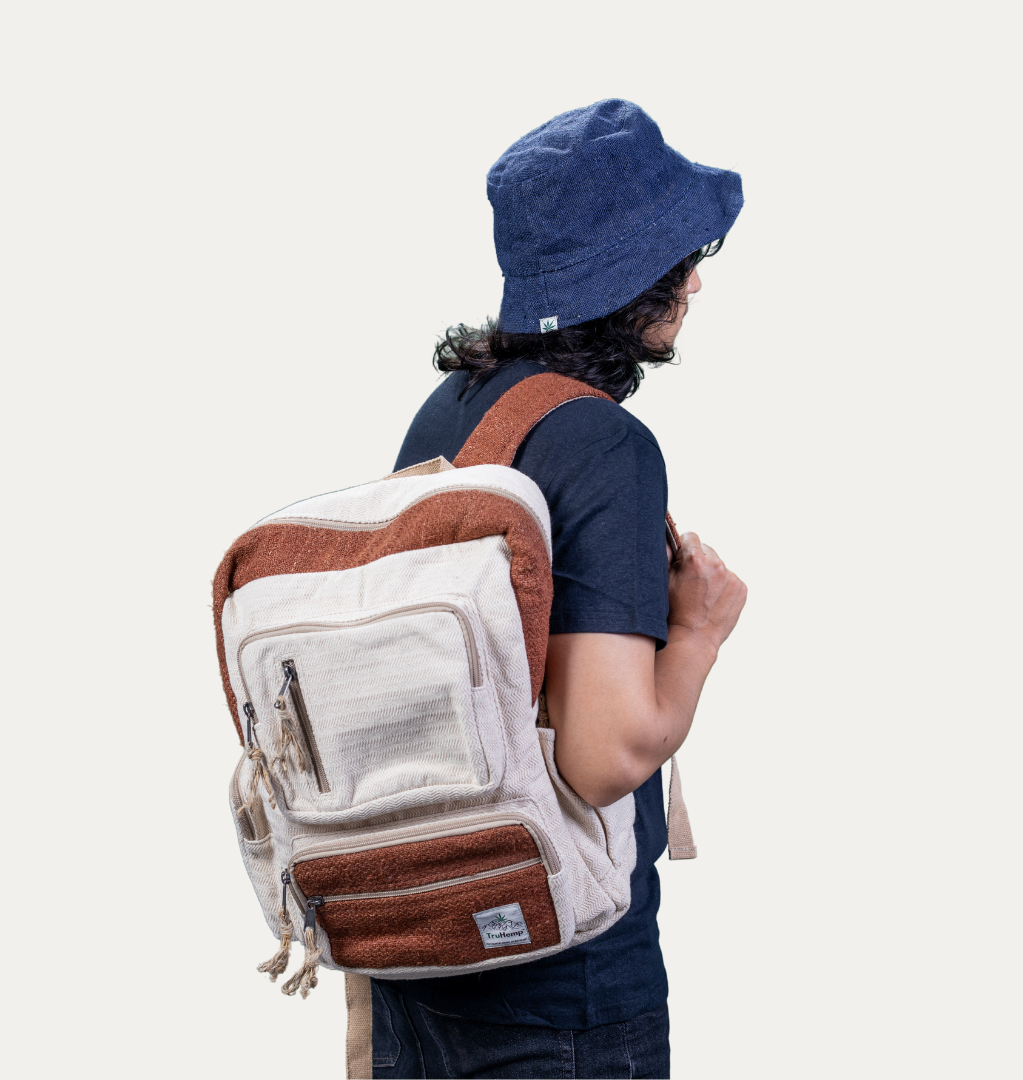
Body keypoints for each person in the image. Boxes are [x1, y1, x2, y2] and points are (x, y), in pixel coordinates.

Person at [372, 99, 748, 1080]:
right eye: (678, 264)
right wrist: (701, 631)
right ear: (630, 287)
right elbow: (603, 755)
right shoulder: (605, 446)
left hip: (422, 947)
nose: (697, 280)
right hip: (562, 981)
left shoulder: (449, 414)